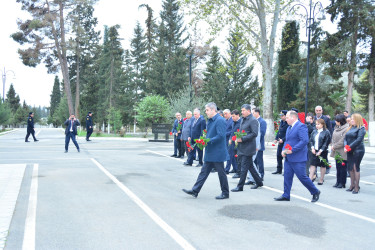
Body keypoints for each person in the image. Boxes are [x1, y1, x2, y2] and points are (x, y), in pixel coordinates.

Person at [182, 102, 230, 199]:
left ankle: (225, 193)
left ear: (213, 110)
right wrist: (203, 139)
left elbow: (221, 136)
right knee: (203, 172)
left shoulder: (220, 120)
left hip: (217, 152)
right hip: (210, 151)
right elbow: (208, 134)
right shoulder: (210, 120)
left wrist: (207, 141)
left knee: (221, 173)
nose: (206, 112)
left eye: (207, 110)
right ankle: (195, 190)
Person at [274, 111, 320, 202]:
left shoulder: (301, 126)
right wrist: (284, 150)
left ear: (293, 117)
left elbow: (304, 141)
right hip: (289, 157)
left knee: (302, 177)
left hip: (298, 157)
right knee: (287, 176)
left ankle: (315, 191)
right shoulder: (289, 128)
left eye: (287, 117)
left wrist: (293, 150)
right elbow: (287, 141)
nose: (285, 119)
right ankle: (286, 195)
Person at [231, 104, 263, 192]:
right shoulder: (243, 120)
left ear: (248, 111)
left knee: (244, 167)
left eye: (243, 110)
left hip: (249, 147)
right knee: (250, 166)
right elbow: (243, 132)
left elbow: (254, 133)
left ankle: (240, 186)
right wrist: (238, 138)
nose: (242, 112)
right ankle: (259, 182)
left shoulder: (253, 120)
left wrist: (243, 139)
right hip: (242, 147)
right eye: (241, 111)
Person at [344, 113, 366, 194]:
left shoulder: (361, 129)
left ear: (358, 120)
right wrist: (345, 146)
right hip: (349, 149)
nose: (351, 120)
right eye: (351, 119)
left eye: (353, 119)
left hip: (358, 150)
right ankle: (352, 185)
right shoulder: (350, 128)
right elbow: (345, 138)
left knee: (355, 167)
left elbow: (358, 140)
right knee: (350, 168)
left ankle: (357, 187)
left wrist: (349, 147)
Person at [308, 119, 331, 185]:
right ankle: (310, 178)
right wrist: (312, 148)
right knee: (312, 164)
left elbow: (326, 143)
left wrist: (320, 151)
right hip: (314, 150)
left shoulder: (326, 132)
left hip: (322, 151)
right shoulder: (314, 131)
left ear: (322, 125)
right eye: (316, 124)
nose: (317, 126)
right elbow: (311, 140)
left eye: (318, 124)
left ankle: (321, 179)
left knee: (322, 165)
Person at [330, 114, 349, 188]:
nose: (335, 122)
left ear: (340, 121)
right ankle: (338, 181)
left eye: (336, 120)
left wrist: (334, 146)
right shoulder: (336, 127)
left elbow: (343, 140)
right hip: (336, 150)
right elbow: (333, 137)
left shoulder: (346, 128)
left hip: (342, 150)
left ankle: (342, 183)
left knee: (343, 167)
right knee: (338, 167)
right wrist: (333, 145)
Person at [252, 108, 267, 179]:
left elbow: (262, 133)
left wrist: (257, 144)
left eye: (253, 113)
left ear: (257, 113)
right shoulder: (254, 121)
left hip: (259, 144)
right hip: (253, 144)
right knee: (254, 161)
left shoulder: (262, 121)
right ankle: (255, 175)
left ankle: (261, 174)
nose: (252, 114)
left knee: (259, 161)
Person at [273, 110, 288, 174]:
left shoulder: (288, 123)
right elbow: (279, 131)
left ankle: (286, 171)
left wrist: (283, 139)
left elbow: (288, 134)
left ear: (286, 116)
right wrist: (276, 138)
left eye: (282, 116)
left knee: (285, 156)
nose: (281, 117)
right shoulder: (281, 122)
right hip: (280, 142)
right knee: (278, 155)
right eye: (281, 116)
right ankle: (279, 170)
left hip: (285, 142)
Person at [230, 110, 241, 178]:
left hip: (239, 143)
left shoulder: (241, 122)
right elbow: (232, 131)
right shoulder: (233, 122)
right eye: (232, 116)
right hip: (234, 143)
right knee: (235, 158)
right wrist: (230, 139)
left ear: (237, 115)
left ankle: (239, 172)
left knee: (239, 159)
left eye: (233, 116)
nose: (232, 118)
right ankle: (237, 171)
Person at [223, 109, 234, 174]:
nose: (225, 115)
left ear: (229, 113)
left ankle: (227, 169)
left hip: (230, 139)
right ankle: (235, 168)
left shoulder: (232, 120)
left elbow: (232, 131)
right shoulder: (225, 120)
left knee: (229, 154)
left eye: (226, 113)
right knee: (231, 155)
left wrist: (225, 134)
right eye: (224, 114)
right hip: (225, 139)